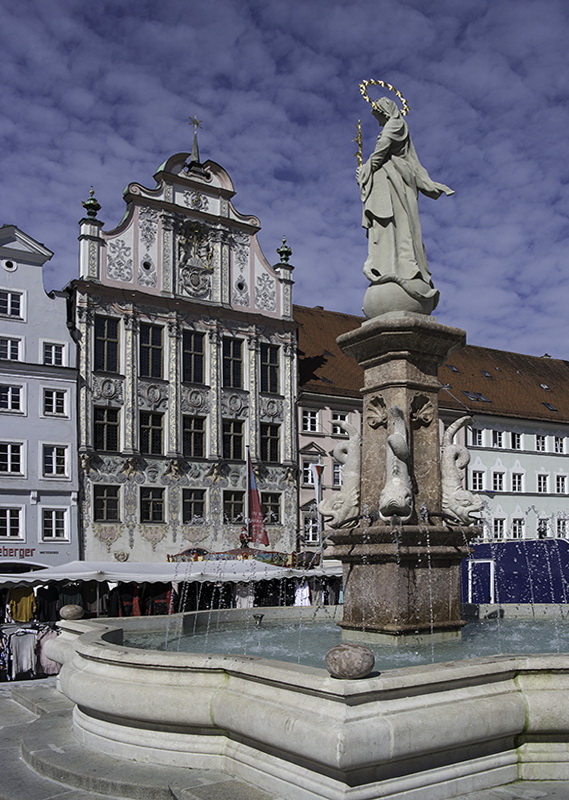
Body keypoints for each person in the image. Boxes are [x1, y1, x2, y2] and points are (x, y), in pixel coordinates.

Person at [356, 97, 453, 308]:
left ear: (385, 110)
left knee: (401, 227)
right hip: (387, 184)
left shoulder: (395, 124)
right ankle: (389, 266)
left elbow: (381, 151)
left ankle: (404, 268)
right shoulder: (391, 125)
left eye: (379, 115)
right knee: (387, 231)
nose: (379, 120)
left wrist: (365, 170)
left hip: (396, 184)